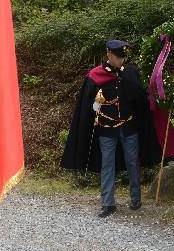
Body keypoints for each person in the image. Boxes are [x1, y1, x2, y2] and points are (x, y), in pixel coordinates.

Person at [61, 40, 162, 218]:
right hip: (106, 129)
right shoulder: (95, 76)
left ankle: (135, 198)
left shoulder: (131, 72)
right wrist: (96, 104)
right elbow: (87, 107)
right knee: (107, 165)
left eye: (123, 57)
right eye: (118, 57)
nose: (121, 61)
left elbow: (141, 100)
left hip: (129, 127)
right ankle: (108, 204)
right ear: (109, 55)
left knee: (132, 162)